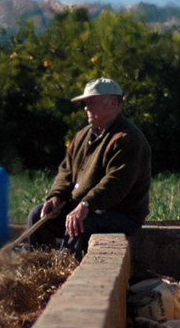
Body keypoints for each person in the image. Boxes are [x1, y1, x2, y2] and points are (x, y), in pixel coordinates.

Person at [26, 77, 152, 254]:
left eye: (92, 102)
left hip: (120, 215)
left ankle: (66, 266)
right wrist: (56, 196)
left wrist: (86, 205)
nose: (86, 108)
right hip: (86, 209)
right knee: (38, 214)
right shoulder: (82, 136)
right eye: (86, 103)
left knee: (81, 222)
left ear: (112, 103)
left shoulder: (127, 139)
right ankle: (39, 263)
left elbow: (115, 183)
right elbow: (66, 171)